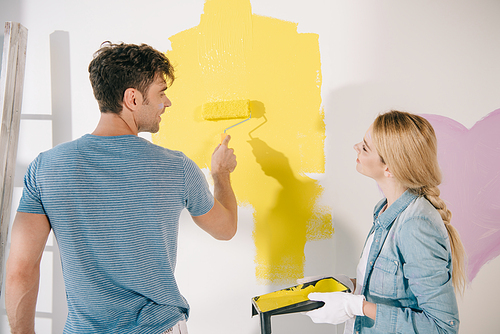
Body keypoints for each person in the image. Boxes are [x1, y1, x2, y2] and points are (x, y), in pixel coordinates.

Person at [5, 42, 238, 334]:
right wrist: (221, 174)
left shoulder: (46, 167)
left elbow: (20, 272)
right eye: (161, 93)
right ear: (132, 99)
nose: (167, 103)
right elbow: (225, 228)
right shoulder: (176, 167)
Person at [304, 110, 466, 333]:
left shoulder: (416, 225)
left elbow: (440, 328)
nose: (356, 147)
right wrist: (350, 285)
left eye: (365, 147)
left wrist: (356, 306)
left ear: (389, 168)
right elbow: (395, 289)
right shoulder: (385, 212)